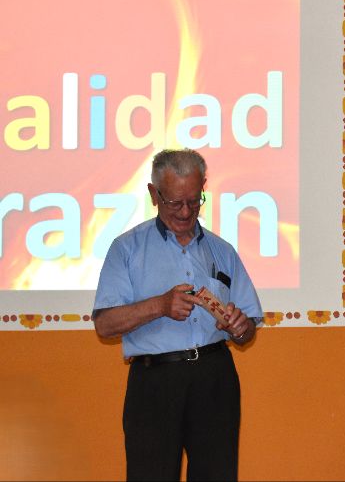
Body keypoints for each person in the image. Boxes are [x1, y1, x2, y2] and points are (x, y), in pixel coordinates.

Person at [93, 148, 263, 481]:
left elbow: (247, 331)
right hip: (154, 381)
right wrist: (160, 306)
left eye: (194, 201)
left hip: (215, 377)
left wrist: (241, 328)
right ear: (154, 194)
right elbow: (104, 324)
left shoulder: (222, 250)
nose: (185, 212)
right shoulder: (126, 248)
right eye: (174, 202)